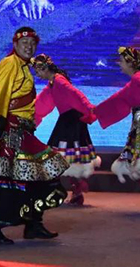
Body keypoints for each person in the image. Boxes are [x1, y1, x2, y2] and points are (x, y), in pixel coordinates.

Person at [0, 27, 69, 245]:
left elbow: (1, 93)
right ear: (15, 44)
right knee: (10, 180)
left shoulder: (24, 66)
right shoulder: (9, 63)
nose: (29, 47)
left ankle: (33, 224)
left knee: (38, 176)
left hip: (24, 131)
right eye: (24, 43)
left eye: (32, 44)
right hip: (12, 133)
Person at [95, 46, 140, 240]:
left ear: (130, 63)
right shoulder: (139, 78)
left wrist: (94, 112)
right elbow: (120, 98)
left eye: (121, 61)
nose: (119, 65)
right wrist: (95, 112)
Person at [32, 54, 100, 206]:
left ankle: (72, 190)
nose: (37, 75)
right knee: (65, 157)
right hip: (68, 120)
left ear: (45, 68)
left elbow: (76, 94)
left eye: (38, 71)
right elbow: (42, 102)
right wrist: (29, 116)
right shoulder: (53, 82)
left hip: (71, 122)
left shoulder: (59, 81)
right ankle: (75, 191)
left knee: (61, 157)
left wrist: (89, 109)